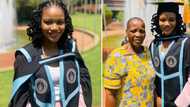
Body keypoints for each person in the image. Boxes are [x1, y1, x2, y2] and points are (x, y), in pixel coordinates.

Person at [8, 1, 92, 107]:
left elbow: (83, 76)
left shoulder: (71, 49)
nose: (54, 28)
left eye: (60, 22)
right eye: (48, 22)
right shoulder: (26, 56)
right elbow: (20, 97)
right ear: (39, 23)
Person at [103, 17, 155, 107]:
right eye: (133, 31)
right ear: (126, 32)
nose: (138, 34)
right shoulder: (117, 57)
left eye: (142, 31)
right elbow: (110, 94)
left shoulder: (149, 53)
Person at [150, 2, 190, 107]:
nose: (167, 24)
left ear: (177, 21)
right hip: (159, 103)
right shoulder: (154, 44)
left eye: (171, 20)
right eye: (162, 20)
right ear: (157, 21)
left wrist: (180, 103)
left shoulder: (185, 43)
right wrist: (155, 97)